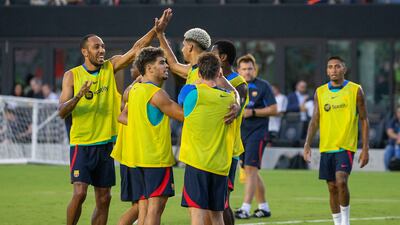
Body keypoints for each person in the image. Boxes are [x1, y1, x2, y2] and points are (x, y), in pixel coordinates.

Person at [58, 9, 172, 225]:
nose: (102, 50)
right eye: (96, 47)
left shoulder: (110, 67)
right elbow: (62, 110)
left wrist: (156, 31)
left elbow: (136, 49)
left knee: (104, 198)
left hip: (107, 143)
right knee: (80, 193)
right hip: (82, 143)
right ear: (85, 52)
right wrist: (78, 96)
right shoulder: (72, 75)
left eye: (102, 46)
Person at [114, 46, 184, 225]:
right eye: (162, 63)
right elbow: (184, 115)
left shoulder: (133, 90)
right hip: (155, 159)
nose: (166, 66)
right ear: (149, 68)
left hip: (136, 159)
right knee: (155, 208)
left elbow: (122, 117)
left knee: (143, 210)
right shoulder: (157, 94)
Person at [303, 56, 369, 225]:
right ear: (327, 70)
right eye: (330, 67)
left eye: (337, 66)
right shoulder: (320, 92)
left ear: (344, 69)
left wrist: (365, 148)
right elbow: (315, 119)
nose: (333, 70)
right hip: (326, 147)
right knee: (331, 187)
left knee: (341, 180)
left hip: (345, 145)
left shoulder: (355, 90)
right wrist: (307, 143)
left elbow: (364, 119)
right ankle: (337, 222)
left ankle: (345, 222)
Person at [178, 52, 236, 225]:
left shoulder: (191, 93)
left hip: (197, 164)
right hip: (220, 166)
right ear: (219, 72)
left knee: (197, 215)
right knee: (217, 216)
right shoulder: (230, 99)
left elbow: (180, 104)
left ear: (199, 73)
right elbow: (233, 91)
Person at [234, 54, 277, 219]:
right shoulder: (234, 86)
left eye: (250, 68)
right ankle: (264, 207)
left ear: (255, 69)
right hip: (240, 133)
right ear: (238, 70)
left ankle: (245, 208)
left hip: (258, 133)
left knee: (251, 169)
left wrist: (252, 112)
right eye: (244, 69)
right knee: (250, 170)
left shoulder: (263, 86)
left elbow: (274, 109)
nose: (247, 72)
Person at [211, 40, 248, 225]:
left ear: (223, 58)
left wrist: (236, 105)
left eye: (213, 53)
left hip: (228, 149)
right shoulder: (210, 80)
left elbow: (235, 107)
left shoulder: (238, 83)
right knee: (211, 203)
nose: (210, 56)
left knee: (222, 202)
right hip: (211, 149)